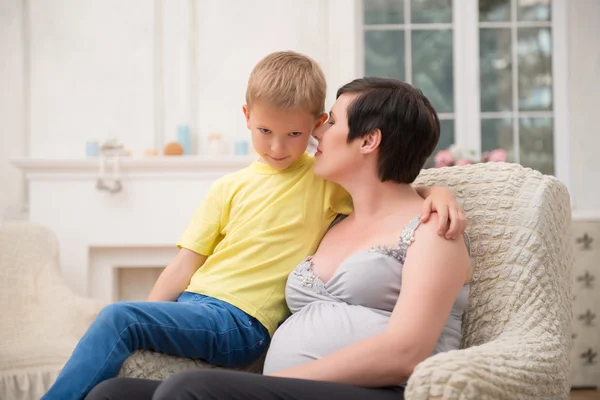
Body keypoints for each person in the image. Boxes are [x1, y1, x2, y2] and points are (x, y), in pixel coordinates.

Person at [43, 54, 465, 400]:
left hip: (370, 389)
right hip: (277, 378)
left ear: (369, 141)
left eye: (331, 121)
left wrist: (436, 195)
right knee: (112, 394)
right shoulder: (335, 217)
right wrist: (431, 189)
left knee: (185, 390)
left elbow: (406, 352)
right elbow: (387, 191)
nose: (318, 132)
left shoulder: (433, 231)